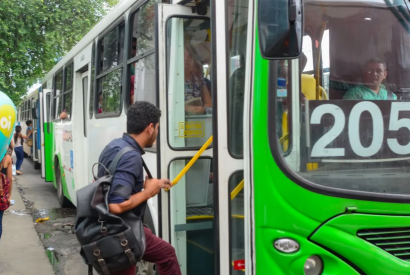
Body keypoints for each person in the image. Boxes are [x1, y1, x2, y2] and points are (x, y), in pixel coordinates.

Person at [97, 101, 181, 275]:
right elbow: (116, 205)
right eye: (157, 128)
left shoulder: (115, 145)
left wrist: (153, 184)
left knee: (166, 253)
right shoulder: (131, 157)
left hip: (106, 227)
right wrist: (149, 192)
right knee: (167, 255)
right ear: (150, 127)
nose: (157, 133)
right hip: (121, 232)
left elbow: (112, 182)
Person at [184, 42, 212, 115]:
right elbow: (168, 104)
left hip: (198, 120)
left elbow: (209, 103)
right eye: (183, 55)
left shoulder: (198, 80)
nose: (186, 59)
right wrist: (188, 109)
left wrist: (202, 110)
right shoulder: (172, 80)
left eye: (189, 56)